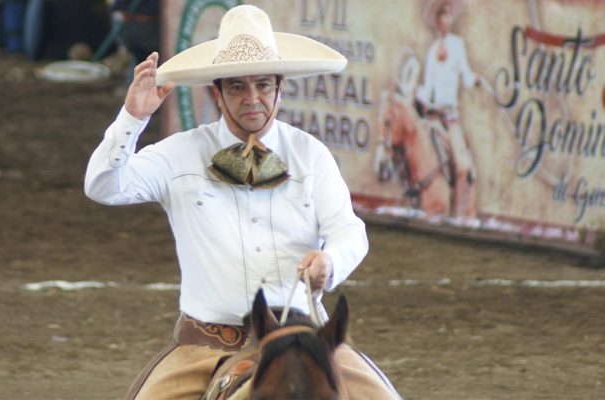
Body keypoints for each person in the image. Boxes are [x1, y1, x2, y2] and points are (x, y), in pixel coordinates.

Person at [84, 5, 400, 399]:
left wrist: (329, 262)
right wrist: (133, 118)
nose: (253, 98)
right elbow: (102, 185)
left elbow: (349, 230)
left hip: (306, 342)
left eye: (263, 85)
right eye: (237, 87)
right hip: (207, 347)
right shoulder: (179, 153)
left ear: (280, 87)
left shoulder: (311, 154)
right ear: (216, 92)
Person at [415, 0, 480, 220]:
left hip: (450, 118)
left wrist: (475, 80)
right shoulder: (432, 51)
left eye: (449, 15)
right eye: (443, 16)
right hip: (433, 116)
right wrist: (420, 97)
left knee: (461, 167)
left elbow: (466, 72)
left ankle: (456, 214)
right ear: (437, 22)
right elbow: (427, 86)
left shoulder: (457, 45)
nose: (447, 20)